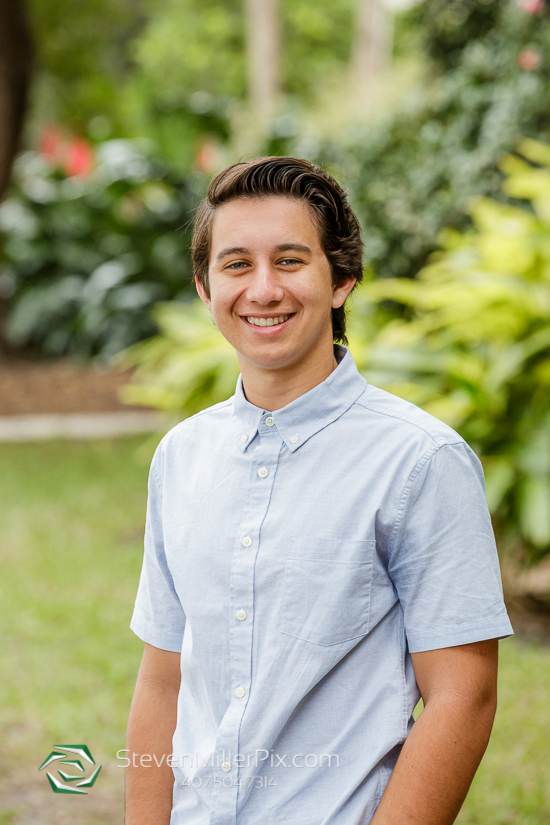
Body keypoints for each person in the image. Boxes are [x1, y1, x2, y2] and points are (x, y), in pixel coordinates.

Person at [125, 156, 513, 825]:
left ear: (342, 280)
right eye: (237, 263)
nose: (264, 288)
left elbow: (463, 695)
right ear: (204, 285)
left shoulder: (420, 461)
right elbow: (164, 678)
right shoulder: (181, 456)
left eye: (291, 260)